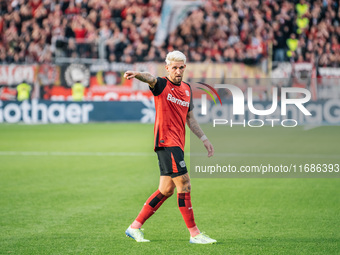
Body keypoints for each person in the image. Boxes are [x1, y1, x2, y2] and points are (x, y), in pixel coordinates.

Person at [123, 50, 217, 244]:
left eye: (181, 67)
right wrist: (137, 74)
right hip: (166, 142)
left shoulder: (187, 89)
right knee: (185, 184)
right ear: (167, 68)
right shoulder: (162, 84)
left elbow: (190, 119)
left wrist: (204, 138)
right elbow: (150, 78)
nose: (178, 71)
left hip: (178, 144)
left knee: (166, 190)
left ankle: (134, 227)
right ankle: (195, 234)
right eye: (174, 67)